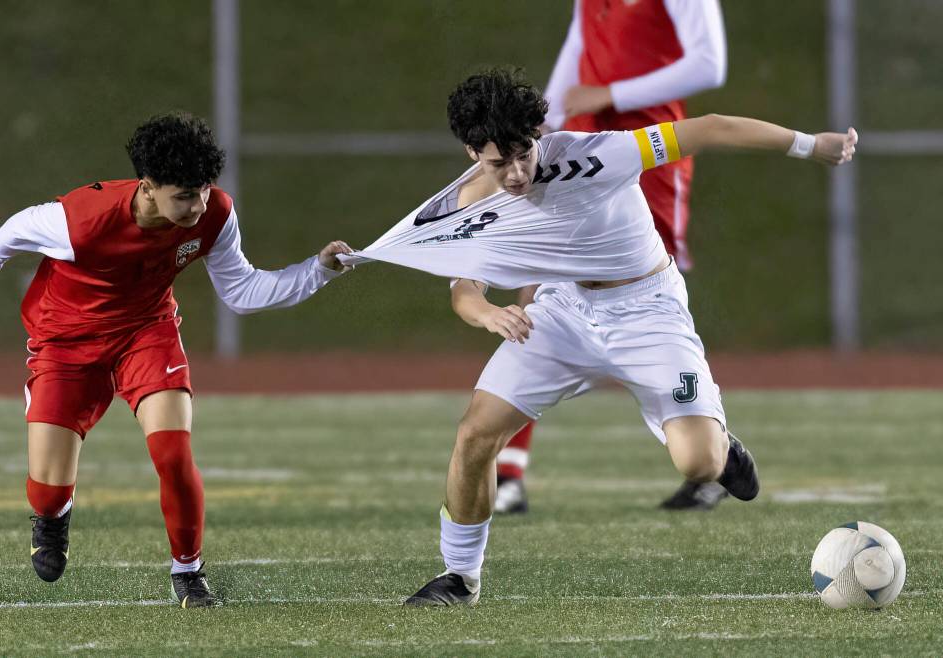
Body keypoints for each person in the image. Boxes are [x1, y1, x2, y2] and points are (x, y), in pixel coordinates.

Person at [341, 68, 855, 606]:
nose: (517, 173)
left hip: (647, 311)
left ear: (539, 134)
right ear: (473, 153)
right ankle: (460, 577)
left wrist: (809, 145)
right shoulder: (470, 202)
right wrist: (486, 313)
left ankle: (722, 454)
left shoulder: (596, 154)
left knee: (697, 464)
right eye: (500, 162)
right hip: (563, 311)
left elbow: (710, 128)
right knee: (475, 434)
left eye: (524, 153)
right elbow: (464, 287)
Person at [0, 112, 352, 608]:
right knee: (46, 491)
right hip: (65, 343)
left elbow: (242, 291)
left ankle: (188, 572)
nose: (198, 205)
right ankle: (53, 517)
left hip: (146, 333)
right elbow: (14, 231)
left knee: (173, 455)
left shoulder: (215, 213)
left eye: (203, 190)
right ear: (149, 186)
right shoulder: (81, 219)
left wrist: (318, 270)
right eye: (184, 195)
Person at [496, 0, 730, 515]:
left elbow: (710, 63)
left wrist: (612, 93)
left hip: (649, 149)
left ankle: (710, 449)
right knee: (536, 285)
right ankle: (509, 470)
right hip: (580, 148)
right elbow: (575, 54)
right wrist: (538, 126)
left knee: (650, 298)